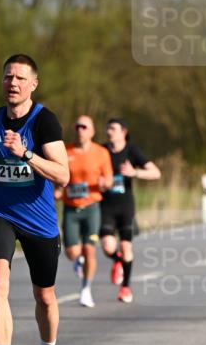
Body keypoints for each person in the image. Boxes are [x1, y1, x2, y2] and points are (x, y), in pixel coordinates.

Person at [0, 54, 69, 345]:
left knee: (44, 297)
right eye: (7, 77)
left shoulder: (45, 121)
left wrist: (26, 153)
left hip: (39, 221)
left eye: (19, 78)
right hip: (1, 212)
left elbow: (63, 175)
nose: (12, 83)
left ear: (33, 84)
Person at [99, 118, 161, 303]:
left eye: (113, 128)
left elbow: (156, 172)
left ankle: (125, 288)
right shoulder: (101, 150)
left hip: (125, 206)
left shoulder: (132, 150)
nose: (109, 132)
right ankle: (118, 261)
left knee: (126, 246)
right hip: (106, 205)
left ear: (123, 132)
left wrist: (135, 173)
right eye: (108, 128)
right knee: (107, 247)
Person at [55, 116, 113, 308]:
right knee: (72, 252)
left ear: (92, 131)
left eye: (84, 127)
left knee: (89, 249)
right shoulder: (66, 151)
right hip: (71, 207)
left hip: (92, 206)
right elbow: (58, 176)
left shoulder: (101, 152)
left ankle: (86, 289)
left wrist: (105, 184)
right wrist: (57, 190)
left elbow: (109, 179)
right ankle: (77, 260)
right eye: (77, 126)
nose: (80, 130)